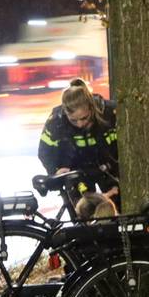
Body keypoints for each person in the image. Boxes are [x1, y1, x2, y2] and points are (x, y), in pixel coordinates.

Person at [38, 79, 120, 208]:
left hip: (108, 170)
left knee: (119, 210)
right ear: (65, 112)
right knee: (84, 215)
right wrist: (55, 170)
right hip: (76, 174)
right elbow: (45, 151)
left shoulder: (109, 113)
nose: (80, 124)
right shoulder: (56, 121)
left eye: (84, 118)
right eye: (73, 120)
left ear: (91, 107)